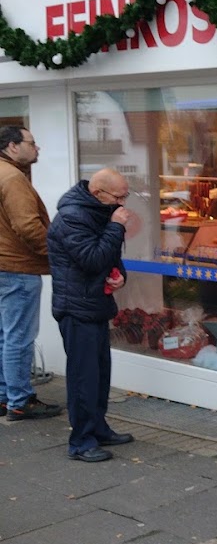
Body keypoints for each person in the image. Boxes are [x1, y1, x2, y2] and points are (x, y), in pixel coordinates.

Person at [47, 168, 135, 462]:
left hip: (95, 303)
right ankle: (81, 441)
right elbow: (92, 258)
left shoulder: (99, 211)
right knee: (83, 377)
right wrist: (116, 228)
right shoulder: (72, 217)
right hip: (76, 308)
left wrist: (118, 275)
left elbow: (108, 258)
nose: (123, 204)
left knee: (100, 374)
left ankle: (98, 428)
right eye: (119, 196)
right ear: (98, 194)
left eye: (126, 195)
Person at [0, 125, 60, 421]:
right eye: (32, 143)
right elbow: (27, 226)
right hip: (16, 268)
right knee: (19, 337)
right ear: (12, 146)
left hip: (4, 266)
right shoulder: (12, 178)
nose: (37, 148)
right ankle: (20, 401)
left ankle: (5, 396)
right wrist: (54, 254)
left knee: (5, 335)